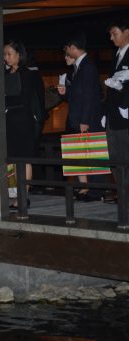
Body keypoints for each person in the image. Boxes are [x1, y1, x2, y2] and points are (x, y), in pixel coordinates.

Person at [58, 32, 104, 202]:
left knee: (91, 153)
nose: (66, 53)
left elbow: (90, 95)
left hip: (87, 119)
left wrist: (84, 120)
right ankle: (86, 189)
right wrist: (65, 92)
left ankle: (96, 191)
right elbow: (78, 94)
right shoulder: (80, 66)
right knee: (82, 154)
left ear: (72, 47)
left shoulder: (87, 66)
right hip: (79, 117)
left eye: (67, 49)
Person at [3, 40, 37, 209]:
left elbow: (24, 99)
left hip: (22, 121)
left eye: (9, 54)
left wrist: (5, 99)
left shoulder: (27, 73)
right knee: (13, 160)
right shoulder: (5, 73)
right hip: (9, 121)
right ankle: (17, 194)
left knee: (24, 159)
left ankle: (24, 195)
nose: (6, 58)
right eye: (5, 54)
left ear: (19, 55)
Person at [104, 18, 129, 205]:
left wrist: (122, 91)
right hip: (113, 116)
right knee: (115, 158)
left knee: (126, 157)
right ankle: (122, 194)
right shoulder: (117, 55)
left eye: (115, 33)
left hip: (125, 115)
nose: (111, 38)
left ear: (126, 32)